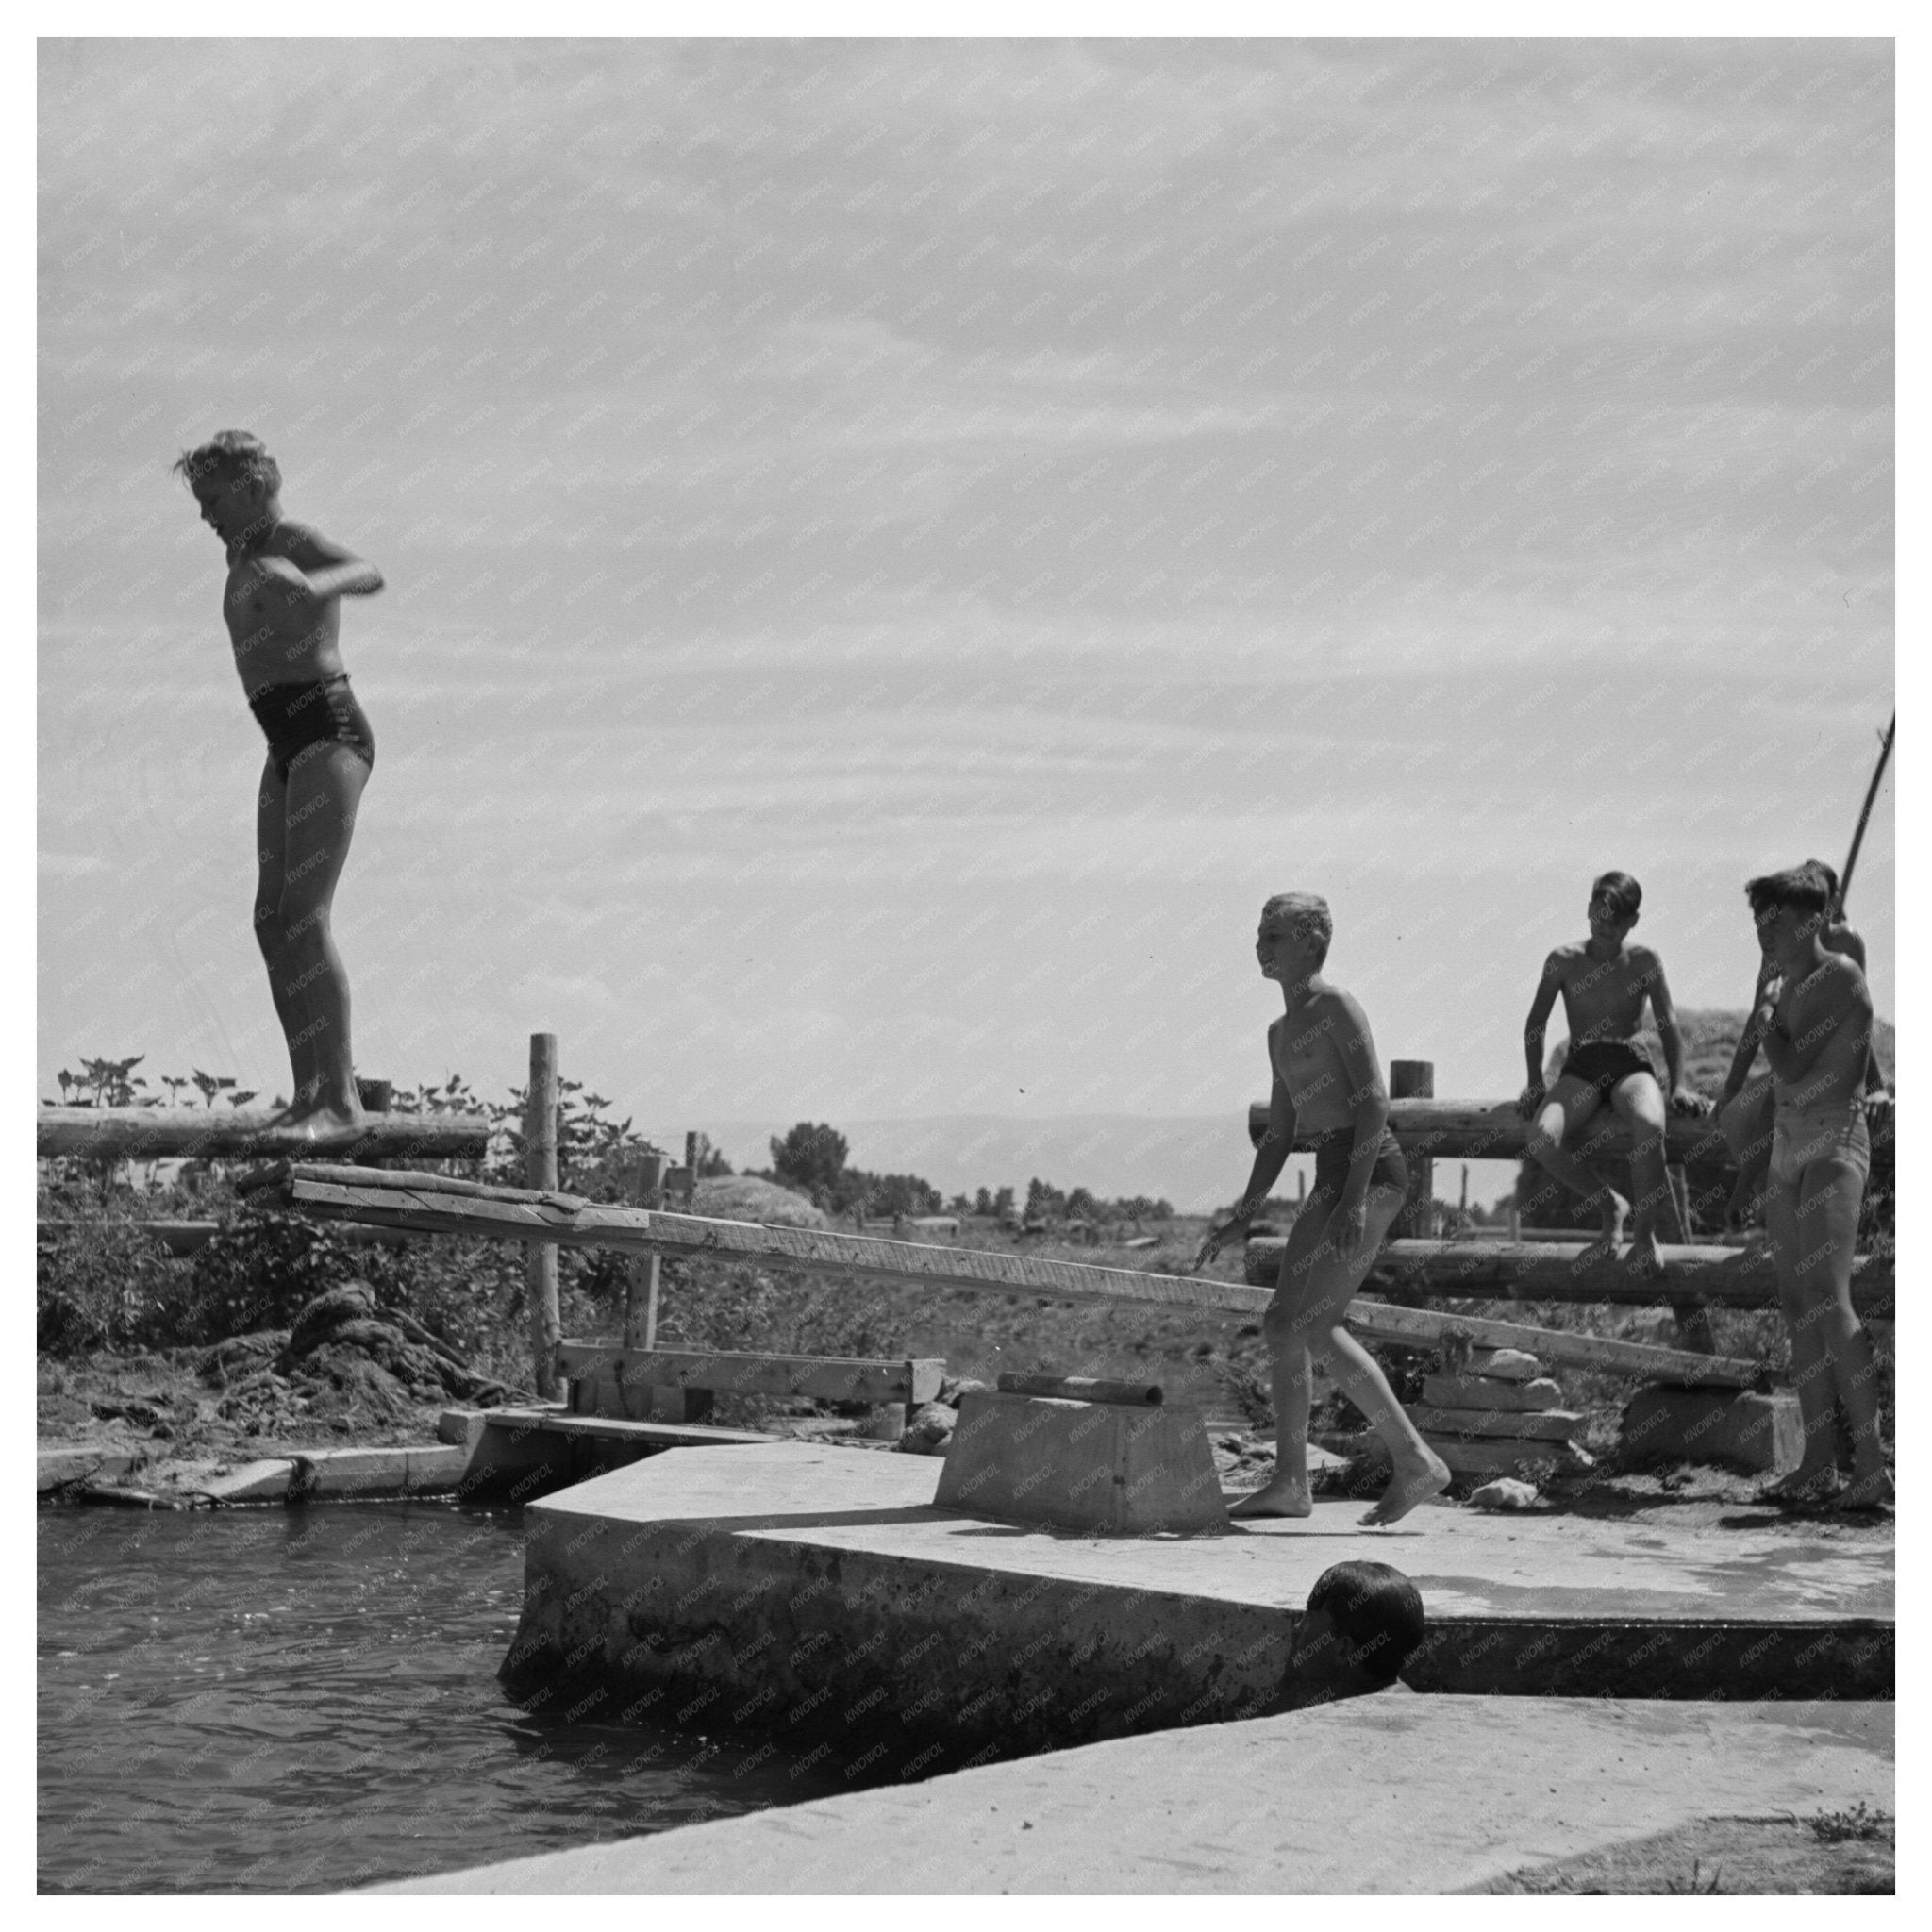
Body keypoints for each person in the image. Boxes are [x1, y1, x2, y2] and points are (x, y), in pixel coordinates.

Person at [1197, 892, 1450, 1527]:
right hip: (1331, 1175)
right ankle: (1290, 1484)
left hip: (1373, 1169)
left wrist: (1357, 1199)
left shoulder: (1336, 1006)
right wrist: (1244, 1214)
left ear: (1311, 942)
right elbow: (1280, 1135)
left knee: (1317, 1323)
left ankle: (1416, 1460)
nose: (1261, 945)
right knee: (1285, 1323)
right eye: (1258, 933)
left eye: (1275, 935)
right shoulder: (1279, 1032)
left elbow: (1373, 1103)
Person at [174, 431, 384, 1139]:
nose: (206, 516)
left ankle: (343, 1103)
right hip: (283, 743)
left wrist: (311, 583)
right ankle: (308, 1096)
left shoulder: (291, 536)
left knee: (304, 913)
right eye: (199, 502)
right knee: (270, 920)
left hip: (329, 729)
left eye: (213, 500)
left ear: (256, 483)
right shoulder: (237, 556)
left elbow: (366, 571)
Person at [1746, 866, 1890, 1511]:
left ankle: (1873, 1465)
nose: (1762, 932)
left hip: (1835, 1140)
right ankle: (1817, 1462)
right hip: (1787, 1148)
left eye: (1774, 920)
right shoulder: (1791, 982)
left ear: (1812, 921)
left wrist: (1768, 1018)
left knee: (1830, 1302)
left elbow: (1793, 1061)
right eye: (1757, 920)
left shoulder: (1839, 976)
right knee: (1797, 1305)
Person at [1516, 872, 1707, 1274]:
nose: (1606, 925)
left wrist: (1679, 1085)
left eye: (1617, 920)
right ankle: (1610, 1206)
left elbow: (1668, 1024)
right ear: (1588, 910)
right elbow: (1536, 1023)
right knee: (1541, 1137)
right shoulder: (1563, 960)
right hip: (1582, 1063)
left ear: (1633, 921)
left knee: (1649, 1124)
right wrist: (1536, 1083)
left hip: (1628, 1060)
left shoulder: (1644, 960)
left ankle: (1645, 1235)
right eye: (1600, 916)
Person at [1717, 859, 1887, 1229]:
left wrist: (1878, 1089)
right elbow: (1759, 1014)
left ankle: (1760, 1200)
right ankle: (1762, 1201)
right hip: (1791, 1073)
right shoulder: (1779, 945)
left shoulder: (1845, 947)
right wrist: (1731, 1086)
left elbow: (1855, 1022)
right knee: (1741, 1116)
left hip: (1828, 1090)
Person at [1283, 1560, 1425, 1707]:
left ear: (1343, 1649)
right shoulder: (1400, 1701)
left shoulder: (1355, 1721)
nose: (1297, 1627)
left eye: (1309, 1618)